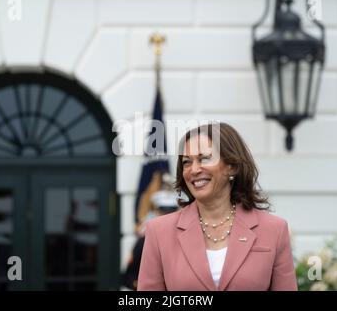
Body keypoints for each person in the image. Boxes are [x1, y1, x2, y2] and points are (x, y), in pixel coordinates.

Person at [138, 122, 297, 291]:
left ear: (232, 166)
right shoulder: (159, 232)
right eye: (186, 162)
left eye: (204, 158)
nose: (194, 169)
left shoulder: (275, 230)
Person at [121, 174, 179, 290]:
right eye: (163, 212)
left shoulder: (186, 238)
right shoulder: (144, 241)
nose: (167, 217)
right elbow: (128, 277)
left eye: (171, 212)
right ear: (156, 213)